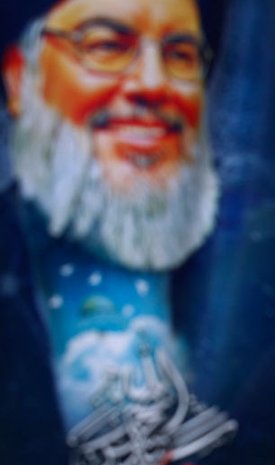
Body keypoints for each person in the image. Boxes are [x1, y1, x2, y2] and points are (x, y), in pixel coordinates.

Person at [0, 0, 235, 463]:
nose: (153, 84)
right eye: (106, 46)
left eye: (181, 54)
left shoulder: (256, 277)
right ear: (18, 77)